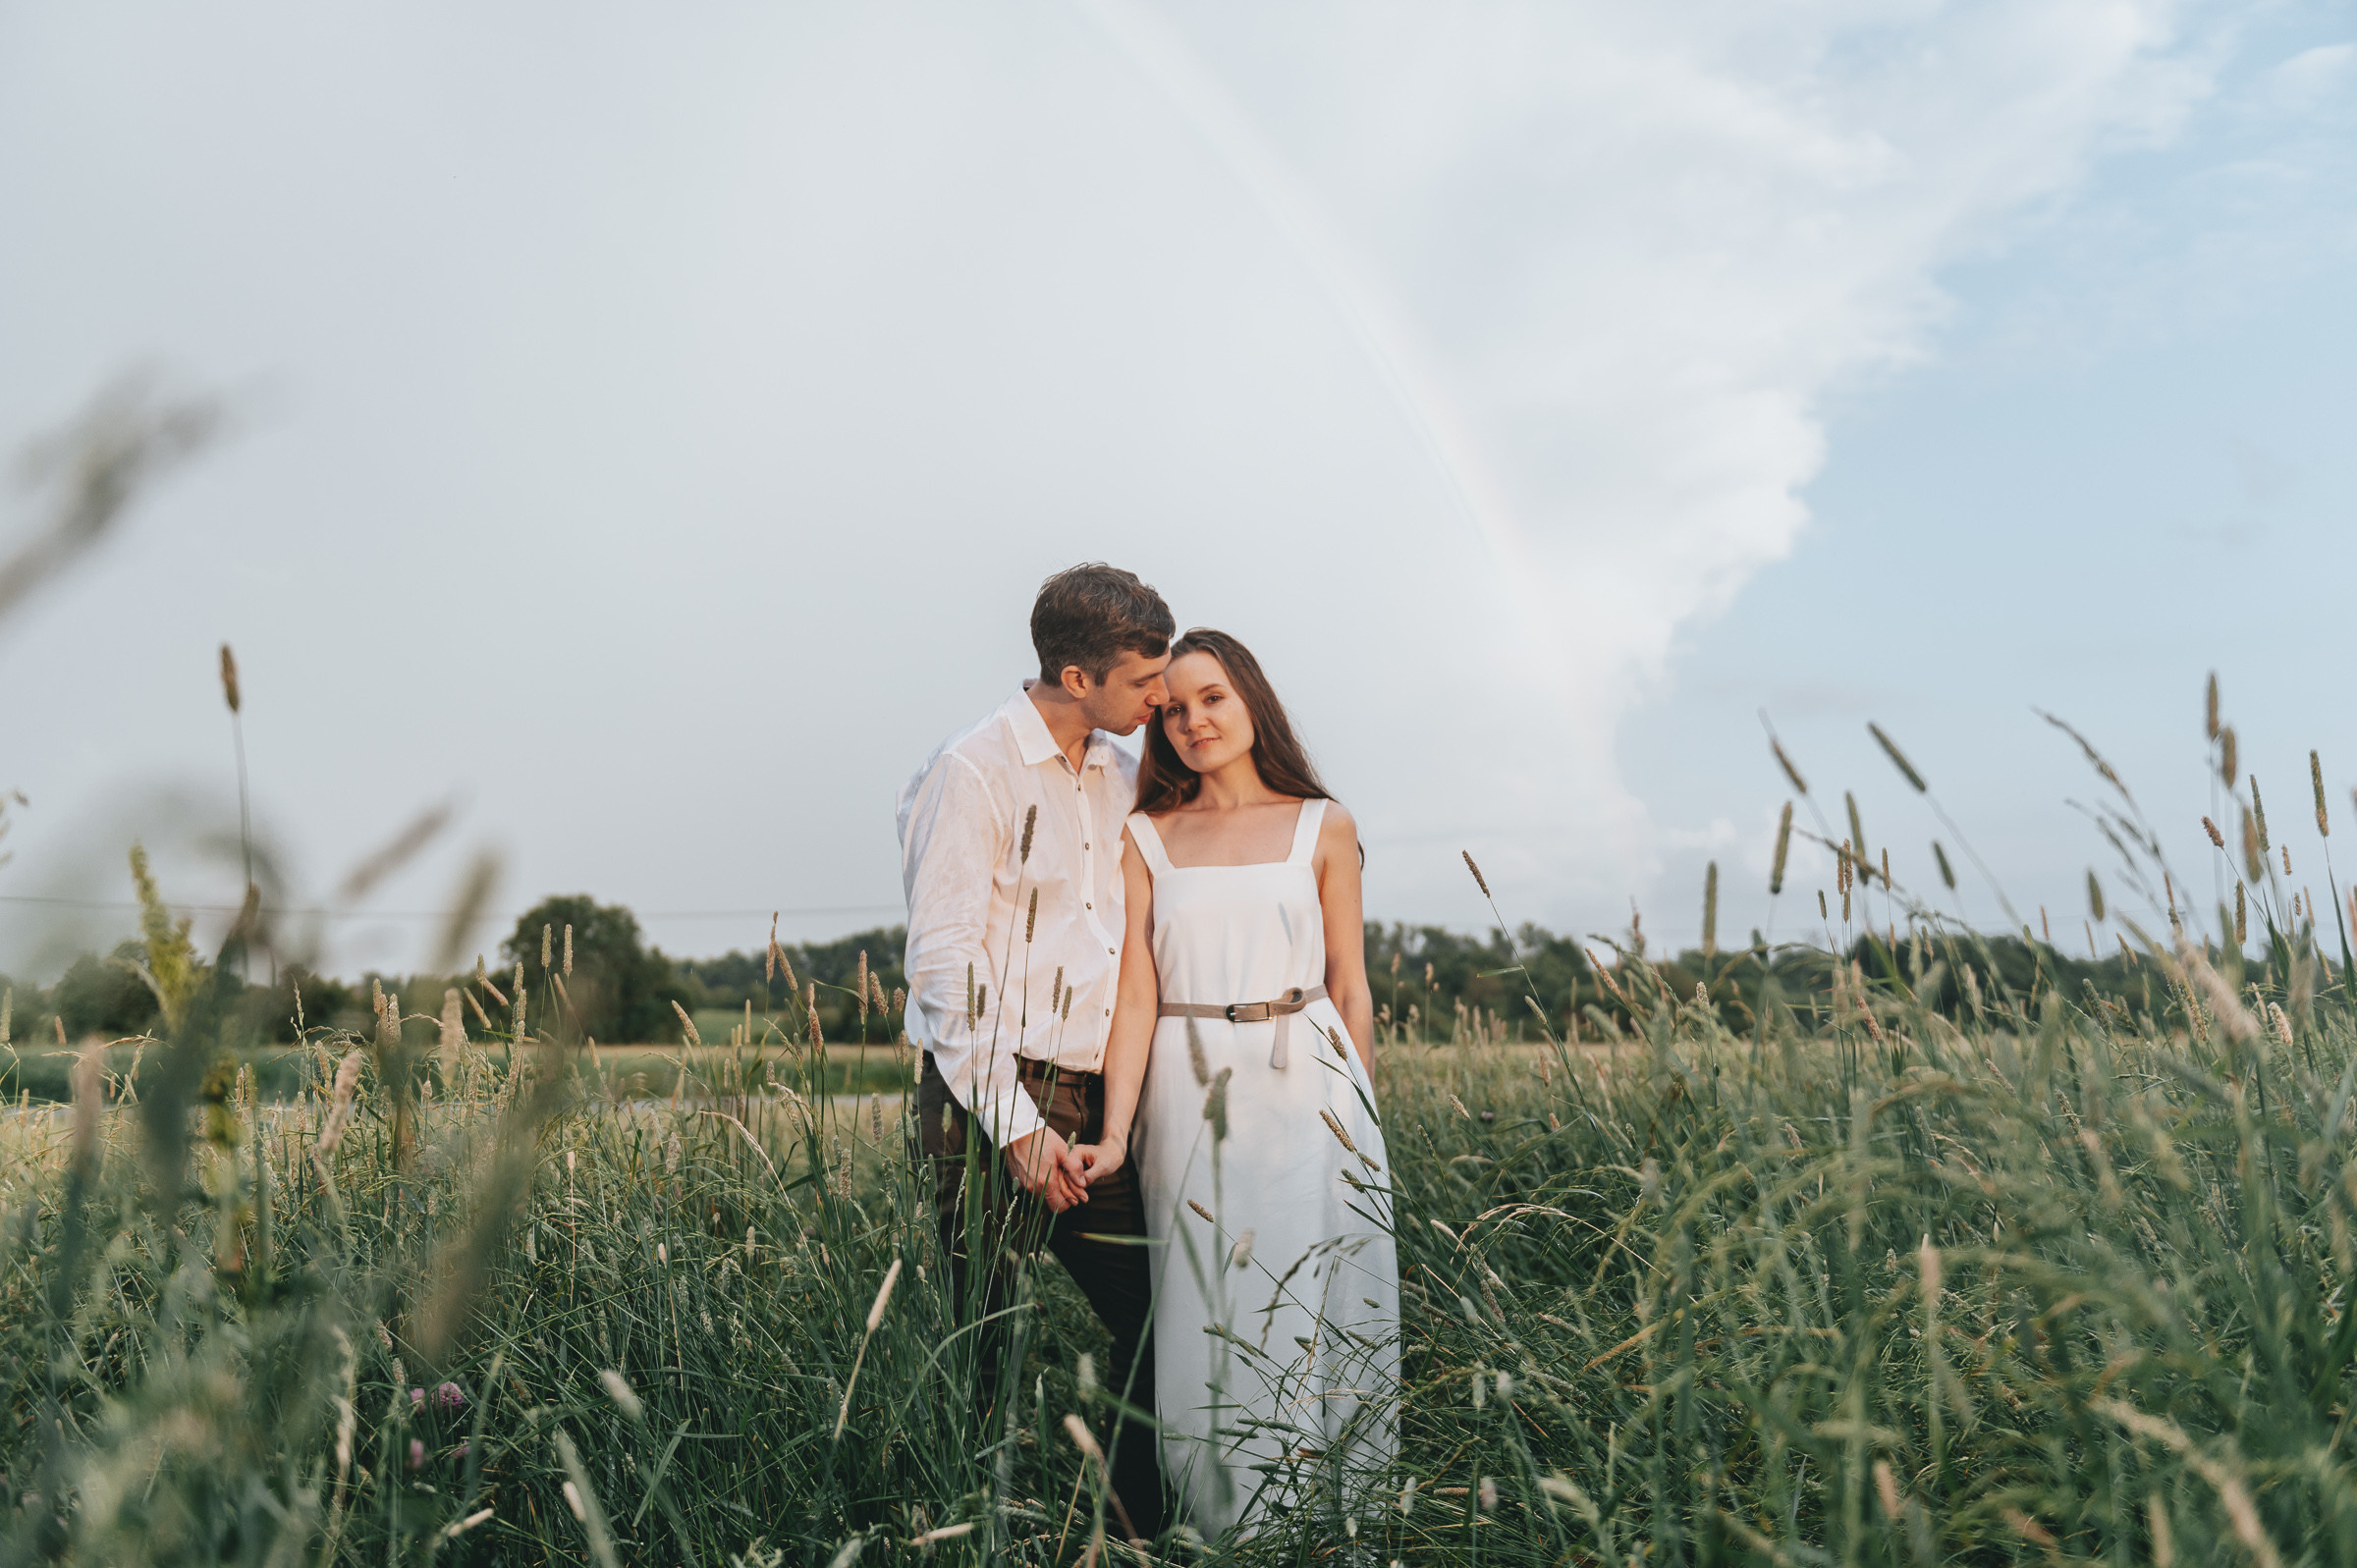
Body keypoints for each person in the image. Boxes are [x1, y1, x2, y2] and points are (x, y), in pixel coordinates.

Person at [1073, 627, 1399, 1540]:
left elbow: (1350, 985)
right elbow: (1136, 995)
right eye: (1172, 708)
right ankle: (1222, 1535)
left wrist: (1360, 1127)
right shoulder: (1146, 835)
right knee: (1206, 1307)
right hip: (1187, 1095)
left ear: (1251, 696)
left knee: (1312, 1303)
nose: (1193, 721)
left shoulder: (1323, 824)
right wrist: (1116, 1130)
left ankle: (1328, 1529)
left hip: (1310, 1091)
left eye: (1211, 696)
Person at [896, 563, 1175, 1541]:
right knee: (983, 1342)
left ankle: (1125, 1536)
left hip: (1094, 1100)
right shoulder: (971, 770)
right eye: (1144, 680)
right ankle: (975, 1537)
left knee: (1158, 1317)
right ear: (1077, 675)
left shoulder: (1124, 775)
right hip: (985, 1094)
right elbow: (943, 963)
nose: (1161, 697)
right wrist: (1015, 1127)